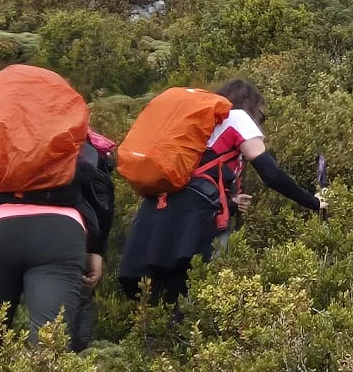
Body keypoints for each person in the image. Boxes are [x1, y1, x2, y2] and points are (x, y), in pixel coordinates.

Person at [118, 79, 325, 308]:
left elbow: (196, 176)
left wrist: (231, 203)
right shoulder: (237, 118)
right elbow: (271, 175)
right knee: (197, 299)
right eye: (262, 116)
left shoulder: (200, 127)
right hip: (194, 222)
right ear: (252, 107)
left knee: (158, 302)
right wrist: (314, 202)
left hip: (156, 216)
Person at [0, 121, 116, 347]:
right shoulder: (72, 123)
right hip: (60, 233)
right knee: (49, 345)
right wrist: (95, 250)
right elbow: (102, 186)